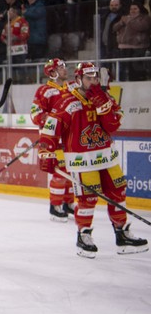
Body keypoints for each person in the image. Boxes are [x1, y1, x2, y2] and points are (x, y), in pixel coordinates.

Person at [39, 62, 148, 257]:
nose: (93, 81)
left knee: (118, 191)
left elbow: (113, 125)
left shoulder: (103, 97)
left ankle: (122, 234)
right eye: (89, 78)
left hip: (107, 156)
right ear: (79, 79)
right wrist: (47, 151)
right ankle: (84, 235)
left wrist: (102, 104)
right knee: (88, 198)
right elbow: (51, 127)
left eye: (95, 78)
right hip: (83, 160)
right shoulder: (67, 102)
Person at [30, 58, 75, 222]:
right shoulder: (44, 91)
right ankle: (55, 205)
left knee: (71, 170)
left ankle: (68, 203)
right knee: (60, 171)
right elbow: (35, 115)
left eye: (64, 66)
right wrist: (51, 118)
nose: (65, 70)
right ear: (52, 72)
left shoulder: (72, 88)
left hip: (71, 137)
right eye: (61, 67)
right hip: (55, 139)